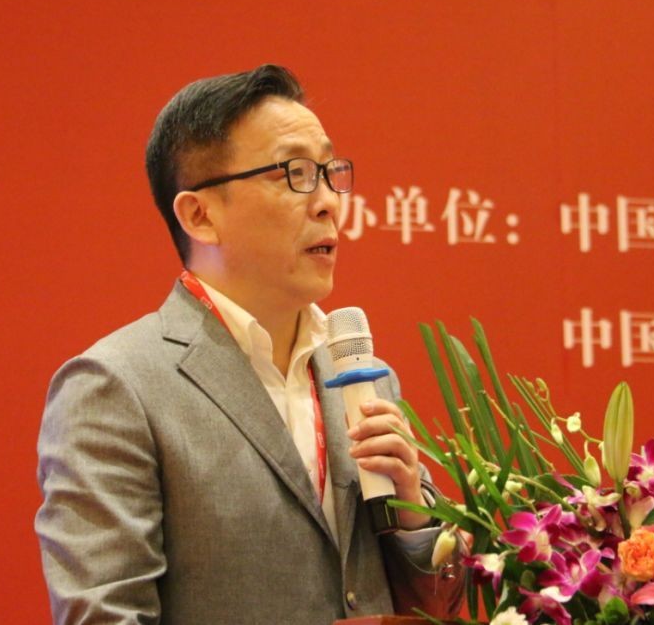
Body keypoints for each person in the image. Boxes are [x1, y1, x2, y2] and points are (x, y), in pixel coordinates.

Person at [35, 65, 463, 624]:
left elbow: (439, 605)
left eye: (330, 172)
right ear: (200, 215)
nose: (328, 202)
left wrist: (414, 518)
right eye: (294, 174)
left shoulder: (363, 377)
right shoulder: (117, 387)